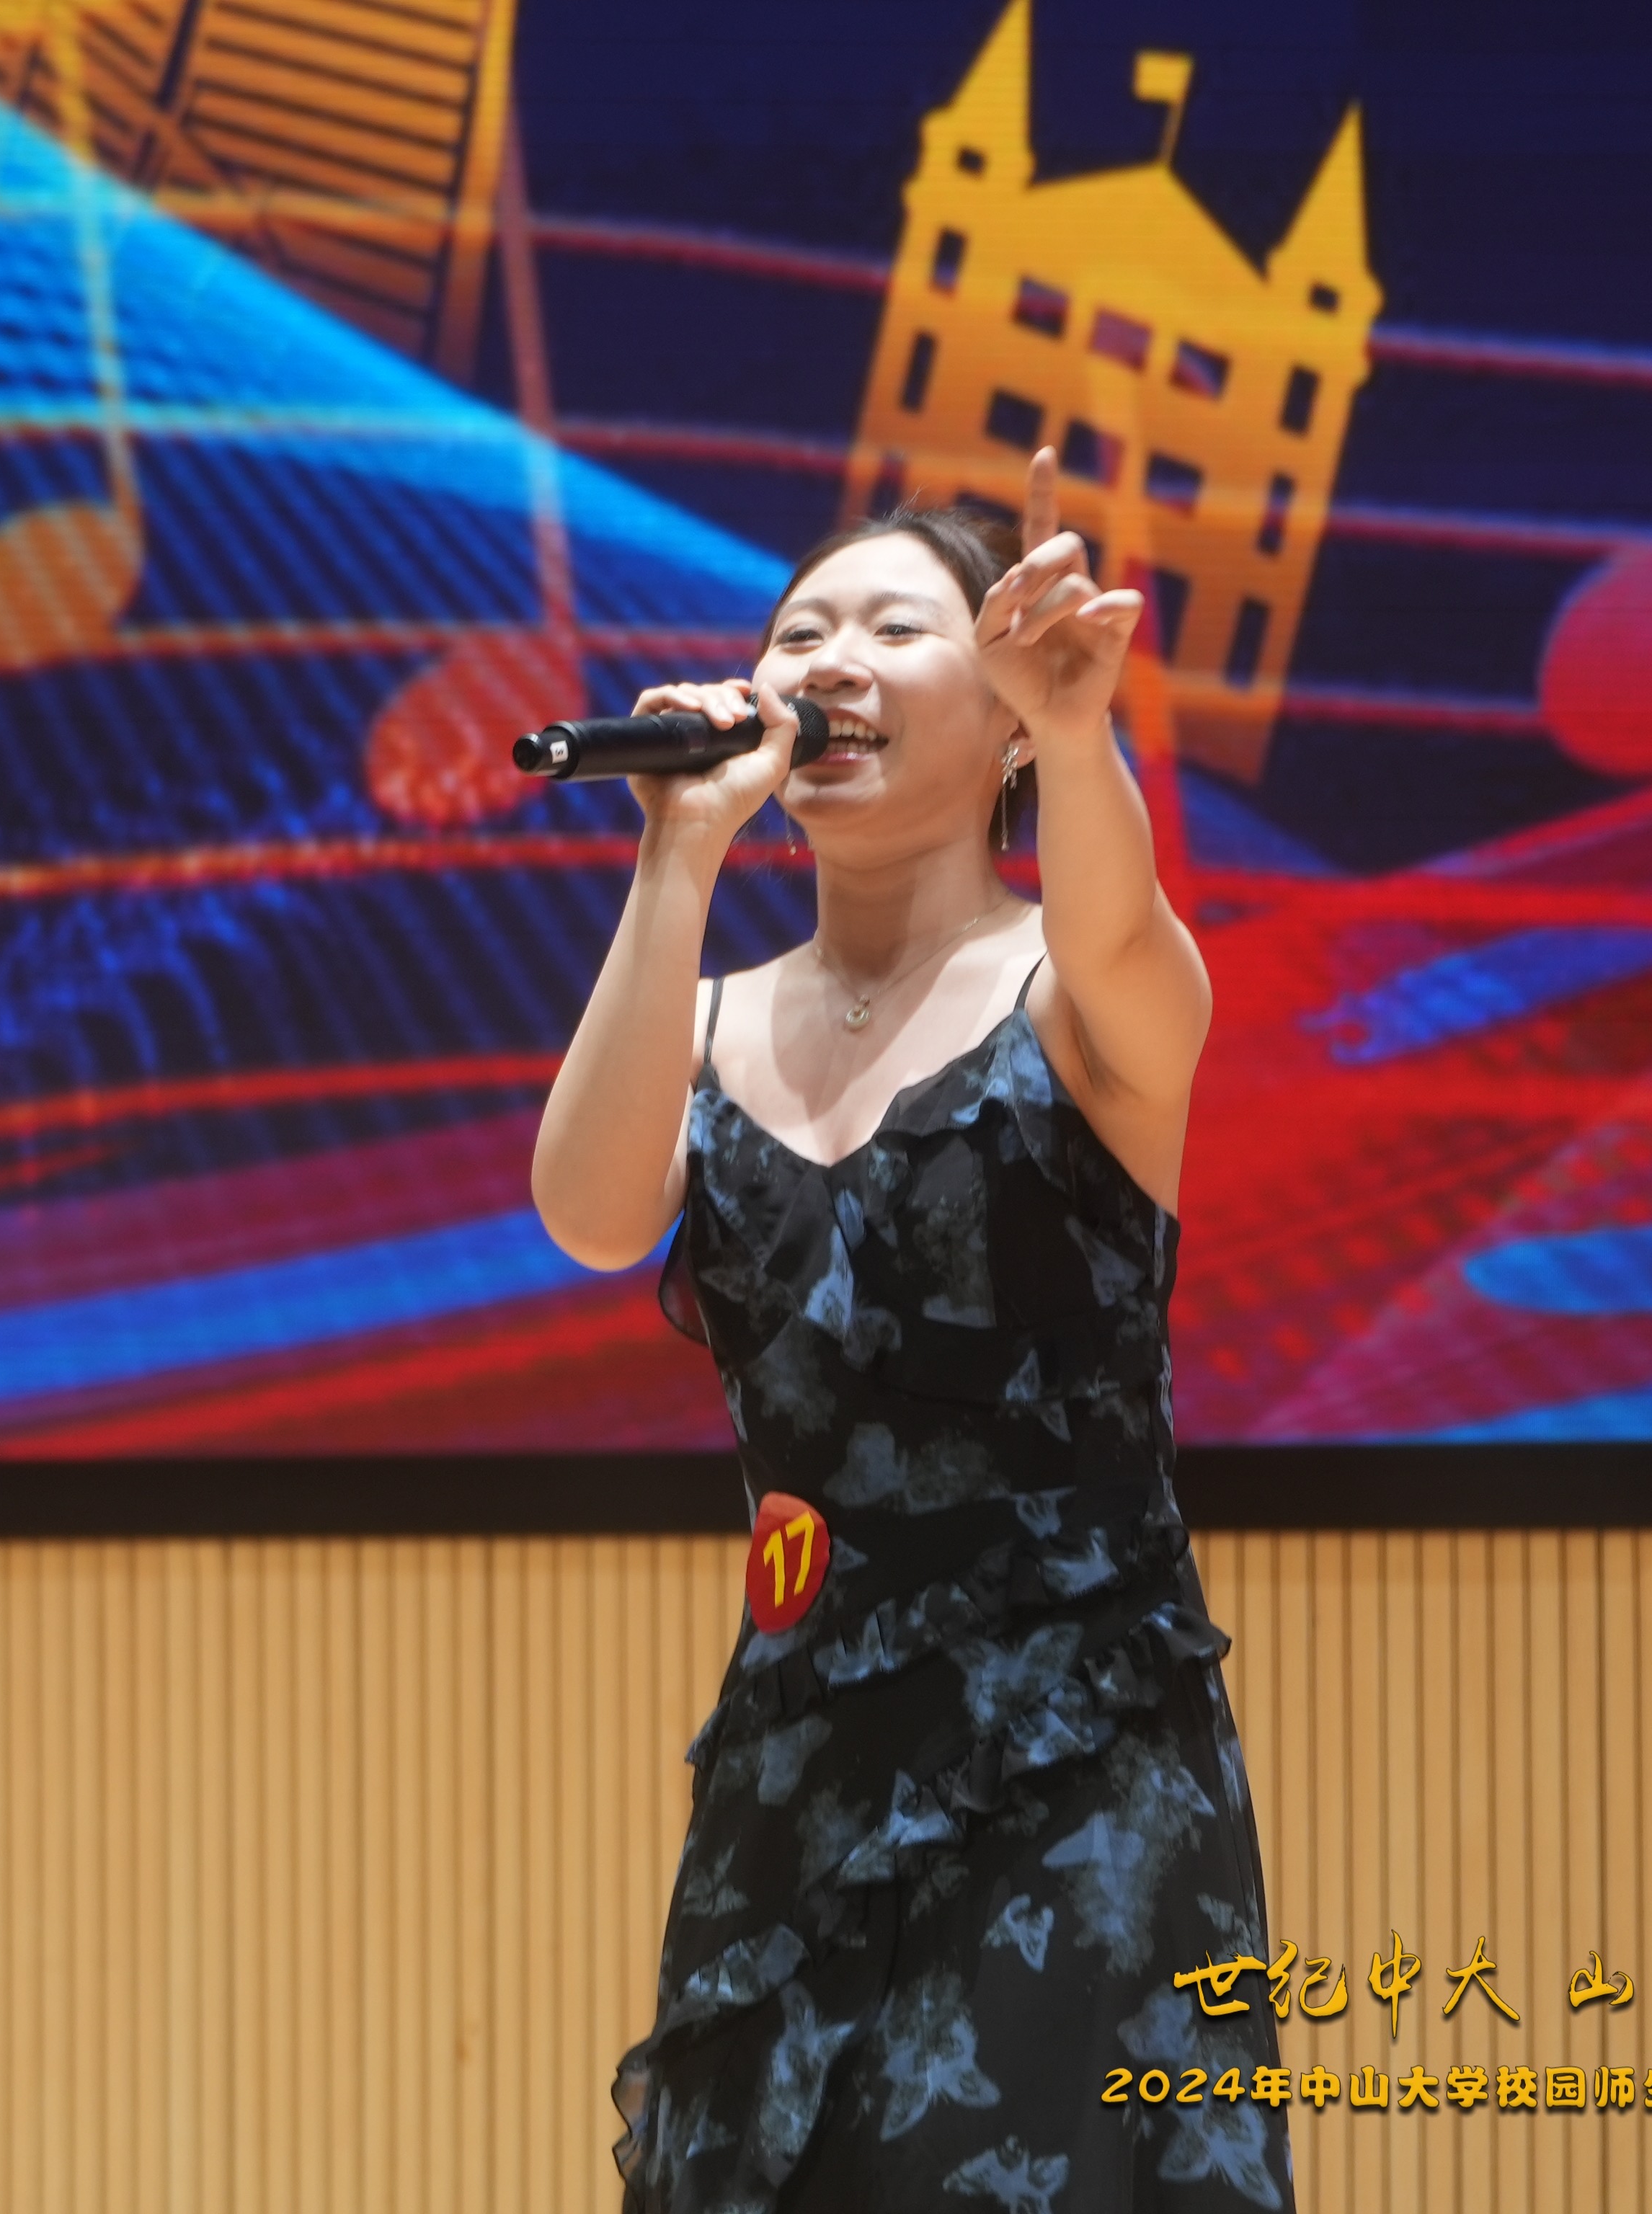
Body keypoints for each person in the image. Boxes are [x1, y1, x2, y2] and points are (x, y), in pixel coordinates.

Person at [532, 453, 1291, 2211]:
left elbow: (1126, 929)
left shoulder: (1078, 993)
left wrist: (1083, 733)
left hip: (1073, 1765)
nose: (831, 663)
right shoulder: (709, 1020)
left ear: (1007, 720)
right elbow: (587, 1210)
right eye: (801, 633)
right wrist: (678, 852)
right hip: (795, 1762)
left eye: (893, 628)